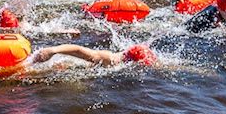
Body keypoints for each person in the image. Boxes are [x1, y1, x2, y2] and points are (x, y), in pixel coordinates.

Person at [24, 43, 157, 69]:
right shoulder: (109, 60)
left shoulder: (117, 58)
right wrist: (53, 51)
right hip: (54, 61)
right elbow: (77, 49)